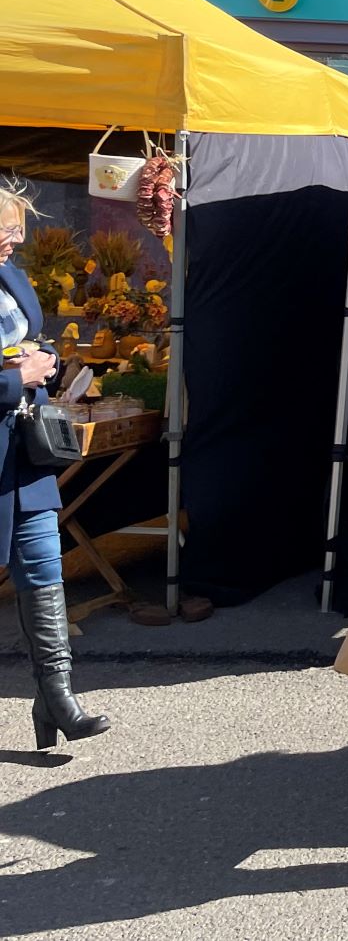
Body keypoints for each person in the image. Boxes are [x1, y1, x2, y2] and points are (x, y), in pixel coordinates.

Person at [1, 185, 111, 751]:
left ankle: (57, 697)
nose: (15, 240)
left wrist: (44, 360)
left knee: (44, 565)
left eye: (17, 229)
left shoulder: (10, 274)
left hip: (24, 452)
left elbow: (30, 337)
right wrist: (11, 378)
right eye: (5, 228)